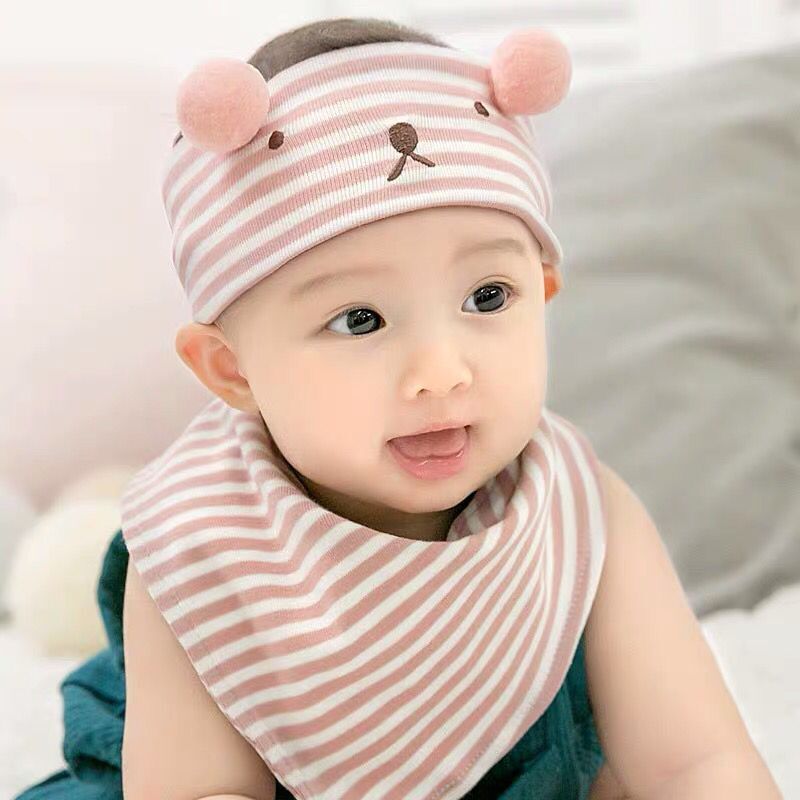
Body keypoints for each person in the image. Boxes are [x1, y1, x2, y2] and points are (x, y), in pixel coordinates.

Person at [14, 15, 781, 800]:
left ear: (543, 293)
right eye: (360, 320)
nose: (440, 374)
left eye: (488, 297)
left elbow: (697, 761)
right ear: (232, 370)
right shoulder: (201, 544)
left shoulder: (580, 512)